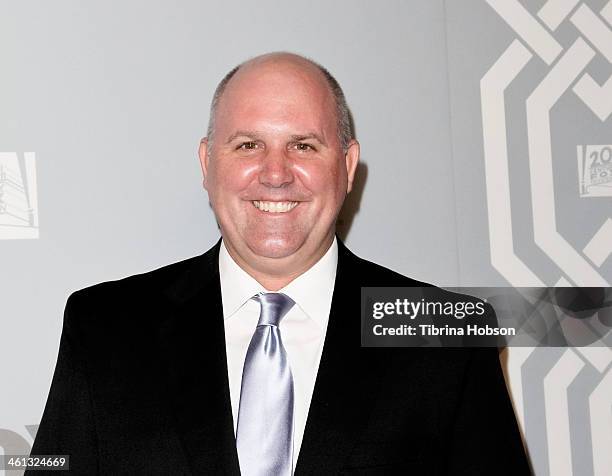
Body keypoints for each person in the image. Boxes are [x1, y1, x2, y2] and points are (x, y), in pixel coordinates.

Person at [29, 52, 530, 475]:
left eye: (303, 146)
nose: (275, 174)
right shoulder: (105, 327)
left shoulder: (444, 337)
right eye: (248, 145)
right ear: (208, 164)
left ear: (348, 166)